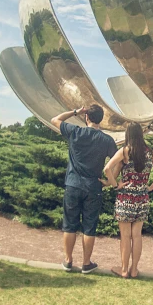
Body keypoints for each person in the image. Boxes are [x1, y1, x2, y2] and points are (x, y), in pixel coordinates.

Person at [51, 104, 117, 274]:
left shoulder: (75, 132)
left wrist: (75, 112)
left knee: (69, 224)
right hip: (94, 187)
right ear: (101, 119)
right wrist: (110, 181)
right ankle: (86, 263)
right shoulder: (107, 140)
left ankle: (68, 261)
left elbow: (55, 120)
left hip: (73, 184)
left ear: (86, 117)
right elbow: (118, 161)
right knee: (89, 226)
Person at [104, 123, 153, 279]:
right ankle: (134, 269)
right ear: (141, 135)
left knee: (125, 236)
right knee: (137, 236)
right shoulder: (149, 153)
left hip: (125, 198)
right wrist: (149, 188)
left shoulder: (125, 151)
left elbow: (107, 170)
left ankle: (124, 270)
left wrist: (115, 185)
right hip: (142, 199)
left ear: (128, 135)